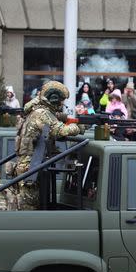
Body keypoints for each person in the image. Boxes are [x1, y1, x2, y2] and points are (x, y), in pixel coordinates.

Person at [14, 81, 84, 210]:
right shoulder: (42, 113)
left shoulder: (38, 110)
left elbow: (55, 118)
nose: (62, 104)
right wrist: (76, 127)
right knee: (29, 207)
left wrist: (70, 118)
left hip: (31, 163)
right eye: (61, 100)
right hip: (31, 166)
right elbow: (59, 130)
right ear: (54, 99)